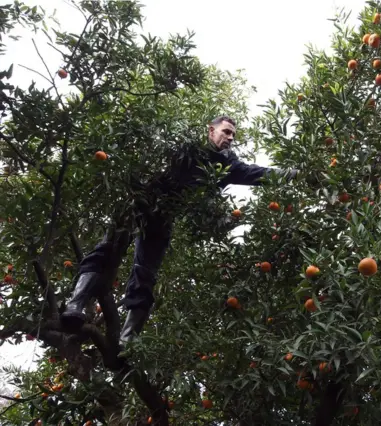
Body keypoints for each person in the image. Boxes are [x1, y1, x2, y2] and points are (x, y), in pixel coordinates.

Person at [60, 116, 298, 347]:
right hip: (141, 200)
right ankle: (75, 305)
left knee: (145, 273)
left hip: (163, 219)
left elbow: (260, 174)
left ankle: (128, 341)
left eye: (233, 135)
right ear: (210, 131)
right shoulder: (187, 147)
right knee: (106, 250)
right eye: (226, 131)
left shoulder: (228, 166)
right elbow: (153, 153)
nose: (230, 138)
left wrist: (294, 174)